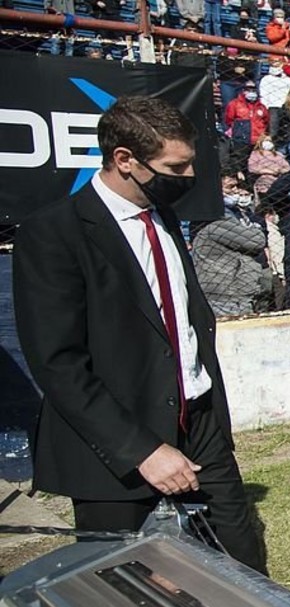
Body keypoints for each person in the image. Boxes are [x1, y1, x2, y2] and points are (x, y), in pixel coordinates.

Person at [12, 96, 267, 574]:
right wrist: (141, 450)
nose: (188, 177)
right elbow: (58, 362)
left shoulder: (163, 217)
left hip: (200, 421)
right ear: (124, 159)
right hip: (116, 442)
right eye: (176, 166)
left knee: (241, 561)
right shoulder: (53, 234)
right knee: (125, 582)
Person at [194, 173, 271, 316]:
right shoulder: (216, 219)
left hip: (239, 289)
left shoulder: (239, 213)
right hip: (225, 295)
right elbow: (257, 240)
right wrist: (254, 230)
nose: (236, 190)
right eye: (231, 187)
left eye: (237, 186)